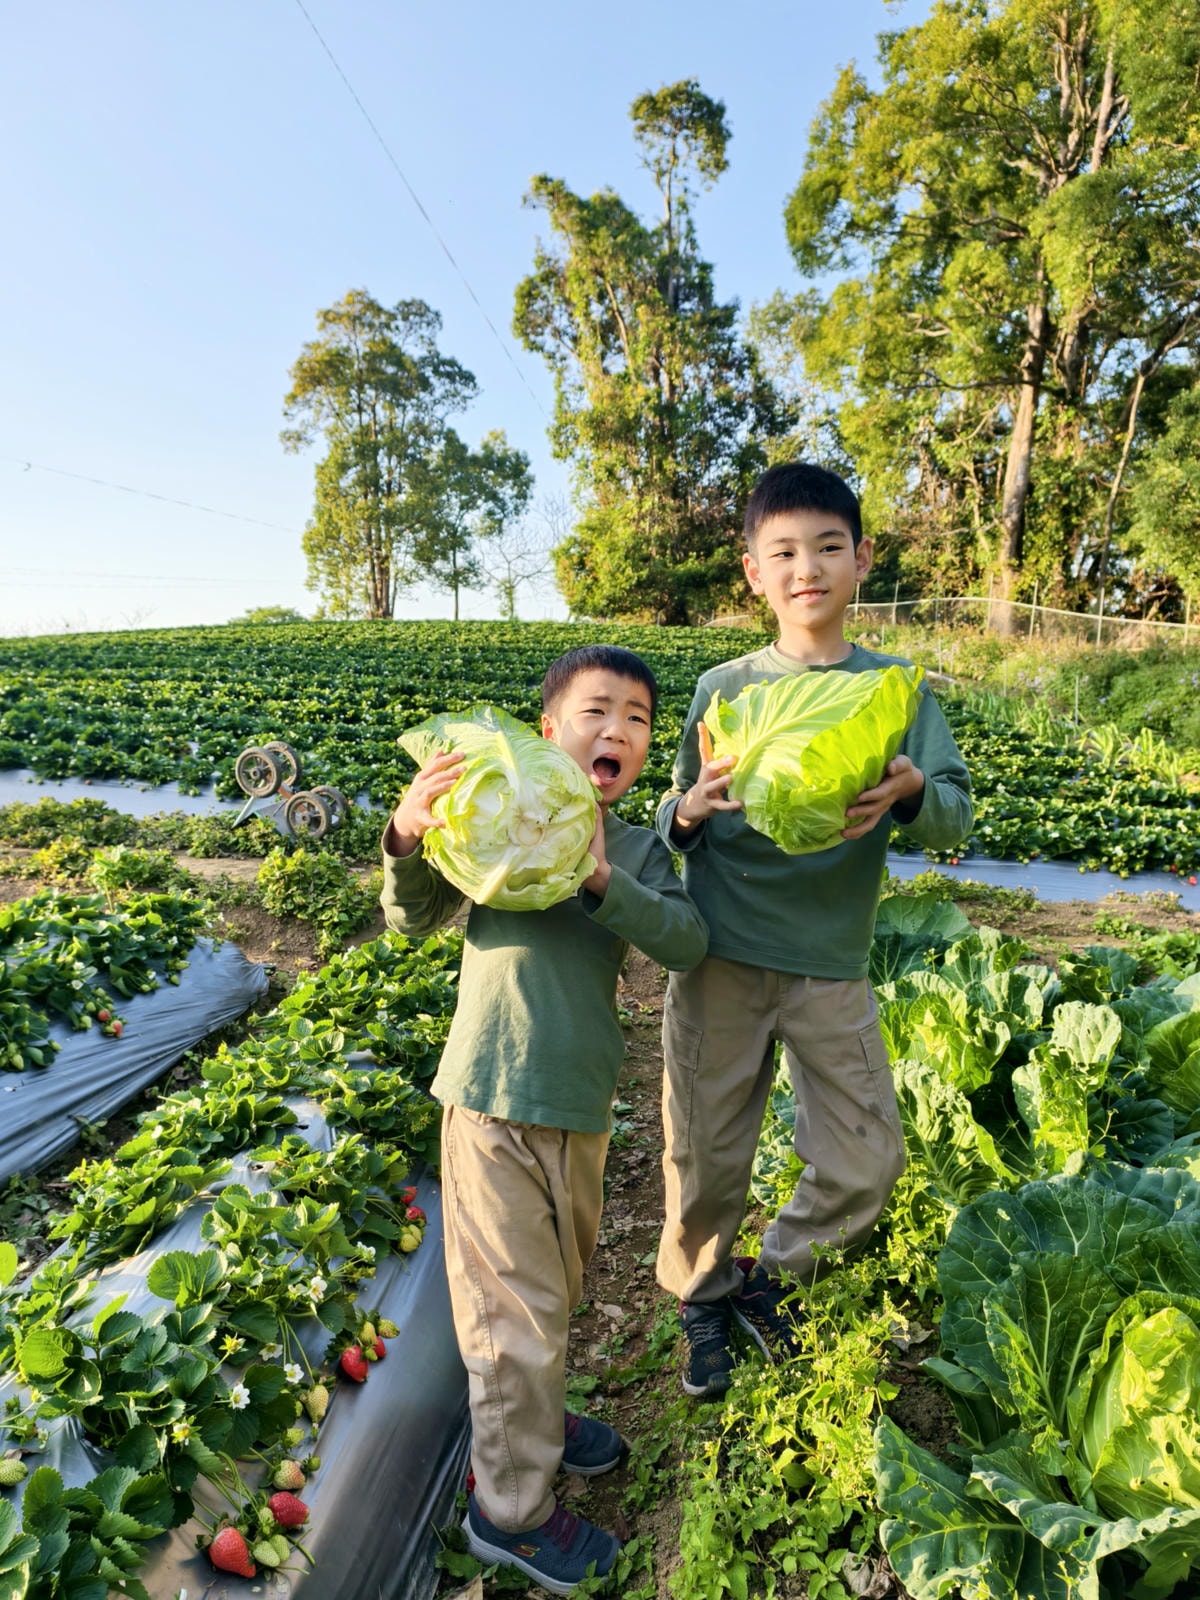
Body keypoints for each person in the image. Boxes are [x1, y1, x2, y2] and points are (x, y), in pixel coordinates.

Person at [381, 644, 708, 1594]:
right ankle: (510, 1513)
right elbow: (410, 917)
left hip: (579, 1102)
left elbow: (687, 940)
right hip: (488, 1093)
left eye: (639, 720)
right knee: (510, 1315)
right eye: (596, 711)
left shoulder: (638, 847)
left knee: (555, 1289)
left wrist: (604, 880)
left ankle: (539, 1421)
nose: (617, 730)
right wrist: (407, 832)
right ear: (549, 732)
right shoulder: (492, 822)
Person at [654, 460, 973, 1400]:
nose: (808, 568)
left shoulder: (899, 691)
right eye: (783, 551)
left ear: (862, 559)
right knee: (706, 1149)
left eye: (828, 547)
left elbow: (954, 814)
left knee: (867, 1157)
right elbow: (675, 815)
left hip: (830, 961)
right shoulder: (725, 686)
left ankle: (774, 1273)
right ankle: (703, 1295)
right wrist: (690, 810)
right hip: (720, 953)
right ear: (753, 571)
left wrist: (915, 790)